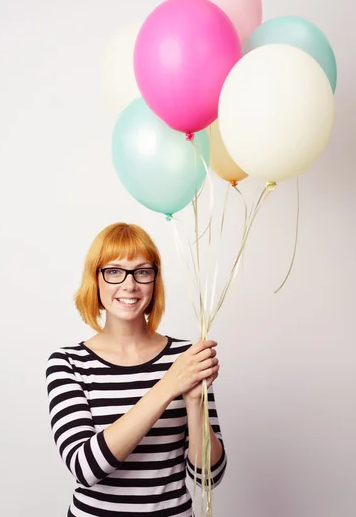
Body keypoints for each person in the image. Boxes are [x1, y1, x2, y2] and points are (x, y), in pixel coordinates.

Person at [46, 222, 227, 517]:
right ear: (96, 280)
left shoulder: (184, 357)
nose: (129, 285)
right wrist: (169, 386)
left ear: (154, 281)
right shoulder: (68, 362)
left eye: (142, 271)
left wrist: (194, 402)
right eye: (114, 271)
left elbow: (208, 478)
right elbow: (86, 467)